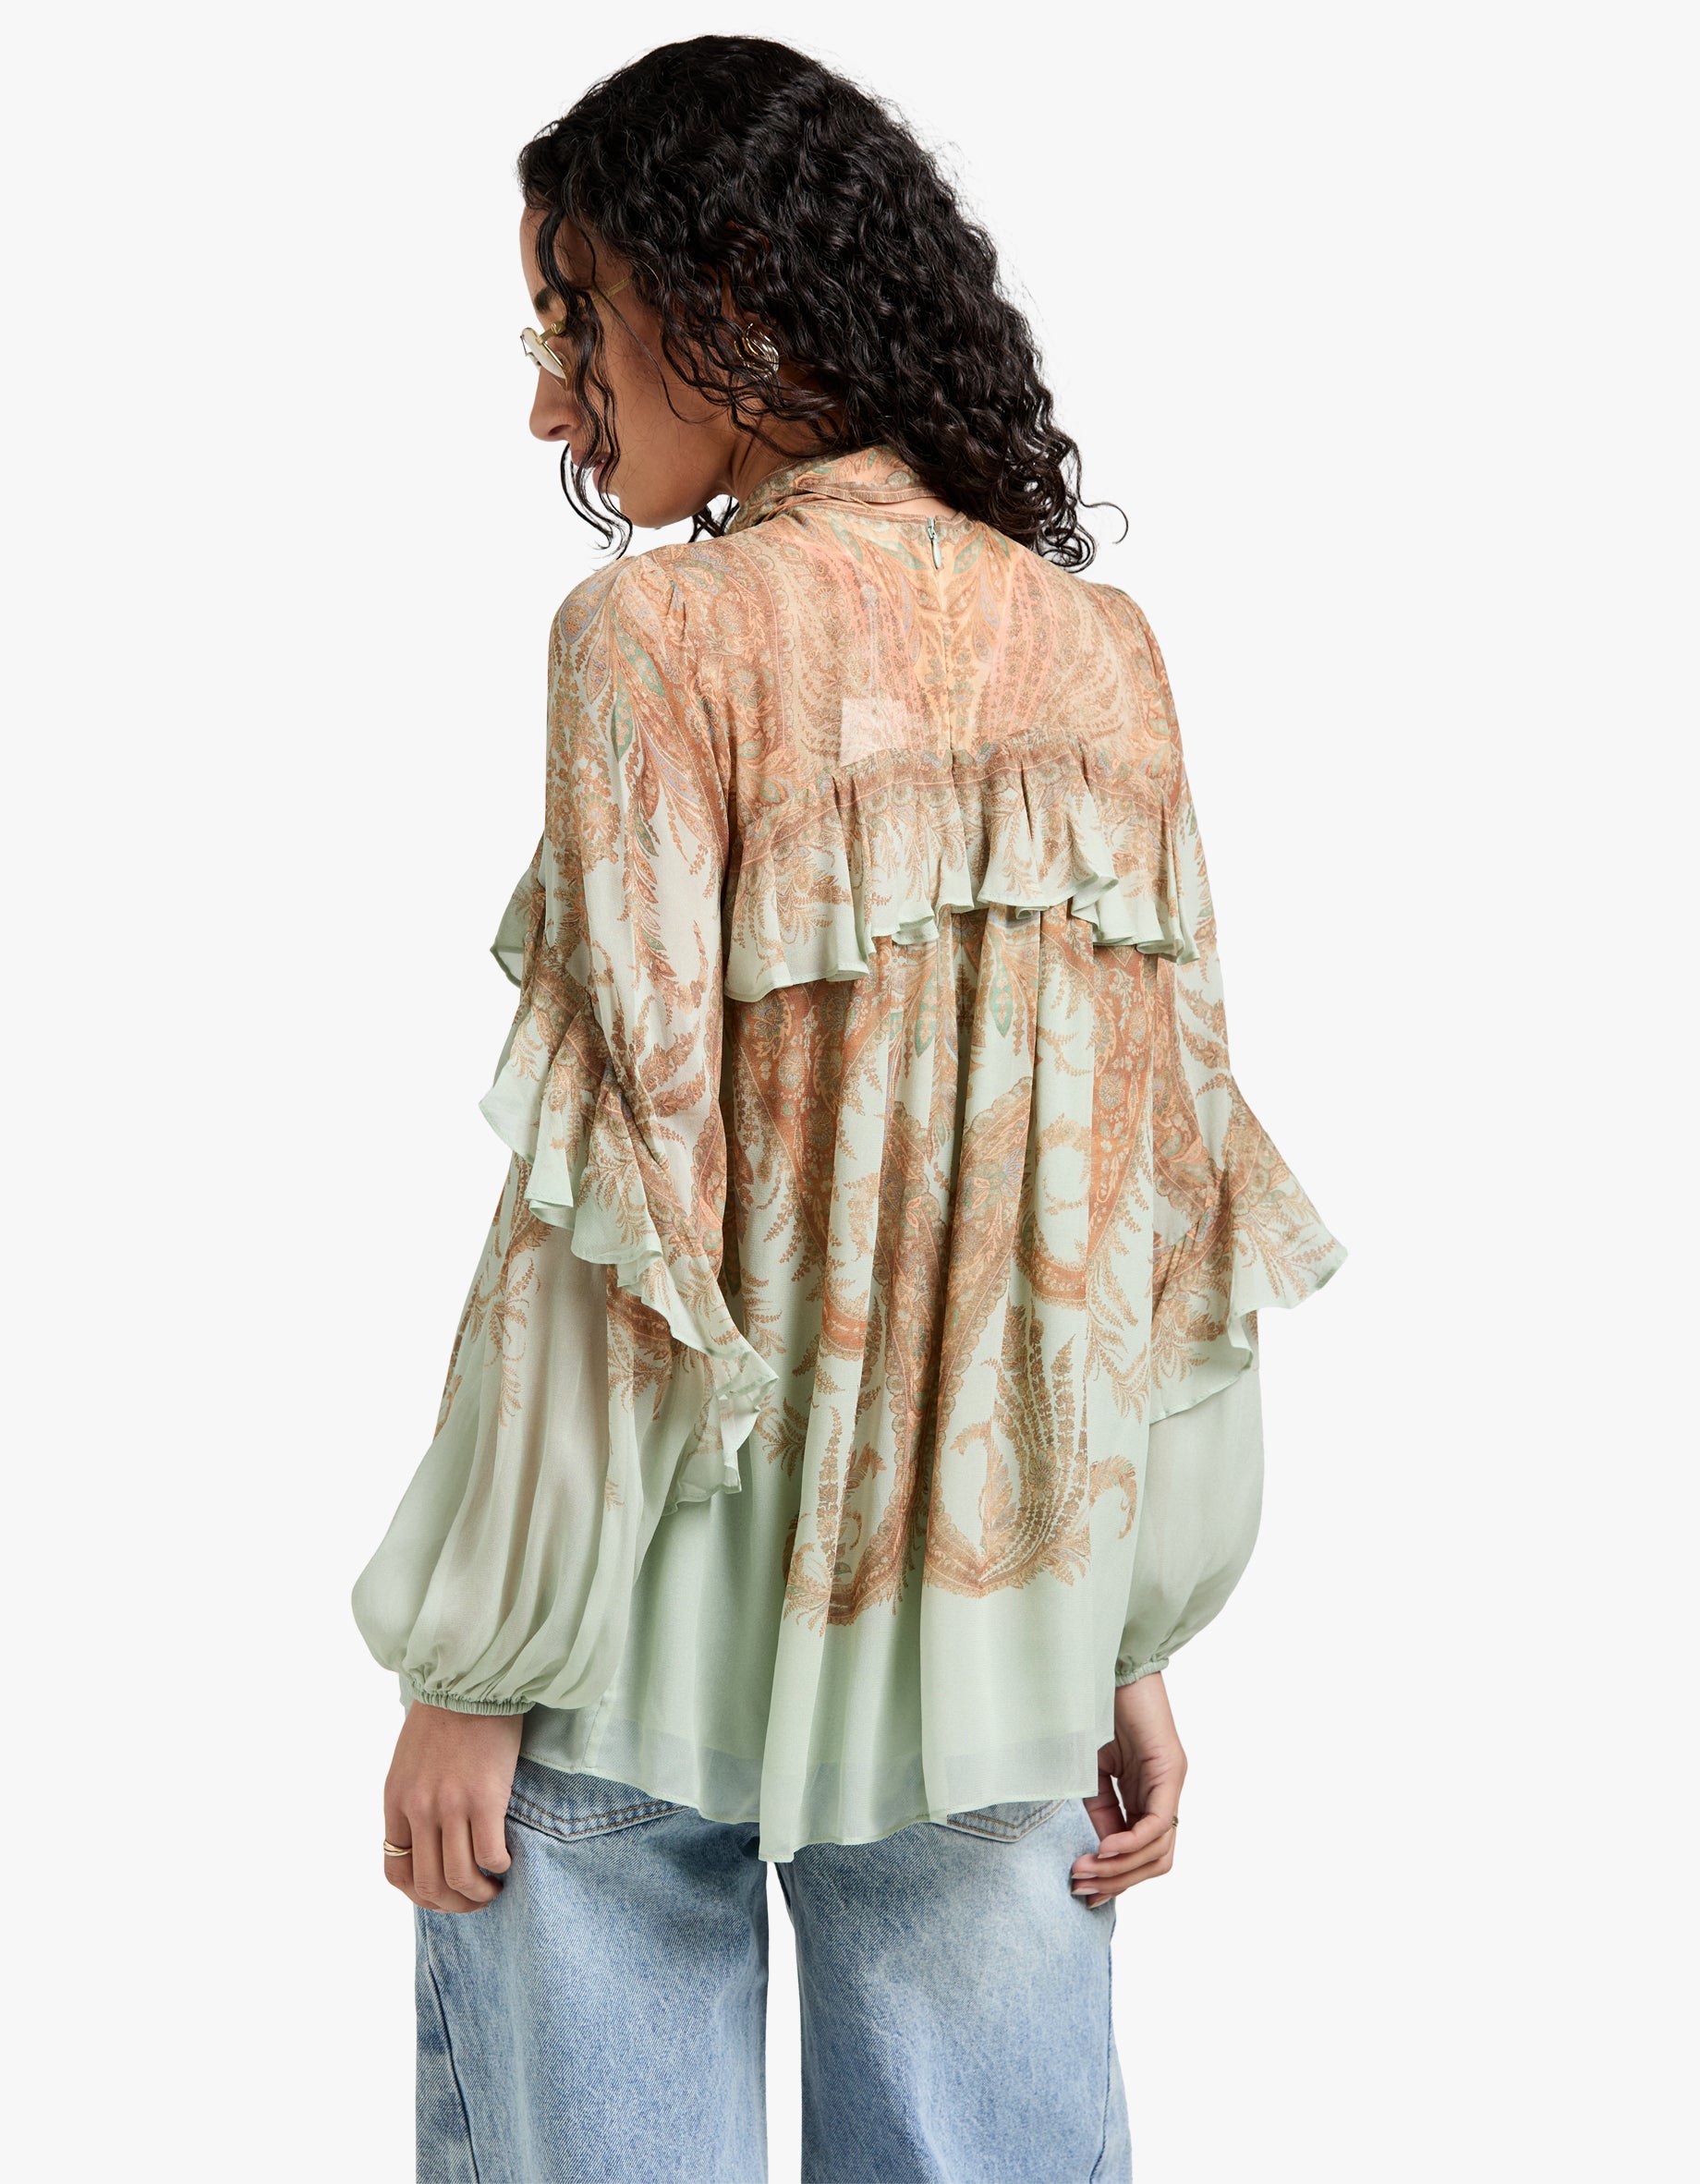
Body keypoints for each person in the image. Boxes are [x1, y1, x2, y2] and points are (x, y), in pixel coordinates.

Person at [352, 34, 1345, 2184]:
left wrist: (474, 1658)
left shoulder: (655, 639)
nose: (551, 406)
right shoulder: (1096, 651)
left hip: (627, 1632)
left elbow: (617, 1189)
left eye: (572, 325)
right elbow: (1156, 1189)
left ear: (729, 301)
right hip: (986, 1635)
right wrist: (1111, 1625)